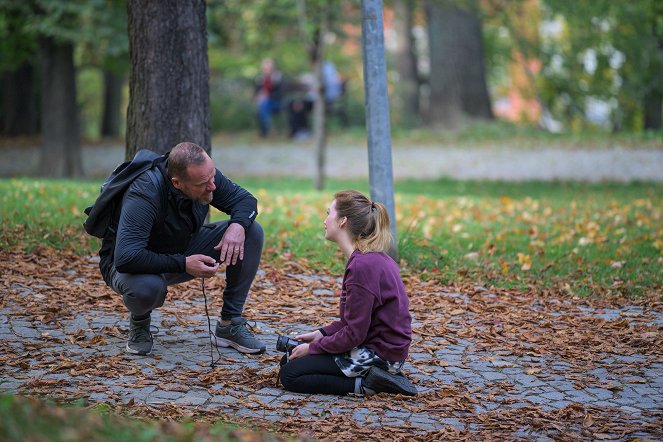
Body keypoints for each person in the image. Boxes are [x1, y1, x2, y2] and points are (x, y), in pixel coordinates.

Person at [98, 142, 266, 356]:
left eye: (213, 177)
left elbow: (245, 200)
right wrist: (184, 263)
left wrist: (238, 225)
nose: (212, 186)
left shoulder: (205, 175)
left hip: (180, 247)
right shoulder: (144, 192)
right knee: (146, 288)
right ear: (177, 182)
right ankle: (139, 322)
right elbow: (126, 257)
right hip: (131, 265)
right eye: (204, 183)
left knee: (251, 232)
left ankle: (229, 324)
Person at [278, 190, 417, 396]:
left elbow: (354, 333)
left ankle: (370, 384)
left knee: (290, 374)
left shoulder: (363, 265)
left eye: (328, 213)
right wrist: (320, 334)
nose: (325, 220)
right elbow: (354, 322)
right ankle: (370, 377)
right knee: (289, 358)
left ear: (343, 221)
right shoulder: (370, 258)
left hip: (380, 355)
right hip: (380, 347)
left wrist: (314, 348)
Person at [254, 58, 284, 137]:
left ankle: (266, 130)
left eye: (269, 68)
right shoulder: (260, 79)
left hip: (277, 103)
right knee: (262, 105)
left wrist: (268, 96)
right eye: (266, 68)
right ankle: (266, 130)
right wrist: (259, 96)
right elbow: (256, 92)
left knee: (263, 106)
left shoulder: (278, 77)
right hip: (264, 103)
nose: (268, 70)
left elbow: (281, 93)